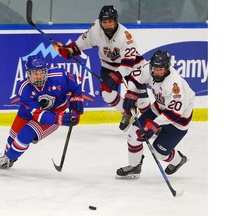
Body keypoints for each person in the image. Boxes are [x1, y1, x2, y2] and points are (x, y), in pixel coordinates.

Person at [58, 5, 150, 131]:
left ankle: (152, 123)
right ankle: (126, 112)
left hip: (132, 66)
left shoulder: (126, 37)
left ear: (116, 21)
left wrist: (114, 78)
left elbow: (127, 66)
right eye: (104, 22)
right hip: (109, 65)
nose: (107, 25)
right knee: (106, 93)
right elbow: (82, 43)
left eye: (110, 21)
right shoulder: (96, 28)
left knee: (142, 102)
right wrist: (70, 50)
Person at [0, 54, 84, 169]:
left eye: (42, 72)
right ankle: (7, 157)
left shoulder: (59, 76)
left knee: (25, 135)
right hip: (30, 113)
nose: (39, 76)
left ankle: (9, 157)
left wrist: (76, 103)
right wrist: (61, 119)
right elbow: (38, 114)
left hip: (54, 113)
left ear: (46, 71)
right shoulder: (24, 89)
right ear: (28, 74)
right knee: (13, 135)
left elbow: (77, 82)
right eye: (35, 73)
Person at [116, 50, 195, 179]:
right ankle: (134, 166)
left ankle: (178, 160)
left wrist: (153, 125)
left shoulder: (174, 85)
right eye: (155, 68)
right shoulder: (149, 69)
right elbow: (135, 78)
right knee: (133, 134)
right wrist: (131, 93)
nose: (157, 72)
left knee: (159, 154)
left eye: (161, 69)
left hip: (178, 120)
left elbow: (174, 113)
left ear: (167, 68)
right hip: (159, 109)